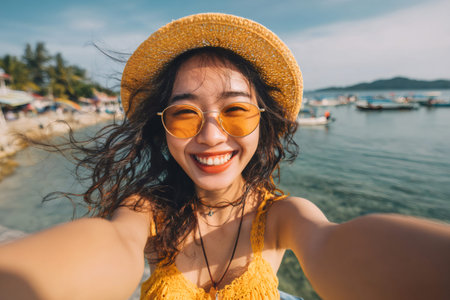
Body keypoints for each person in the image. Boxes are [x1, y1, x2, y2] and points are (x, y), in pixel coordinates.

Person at [0, 13, 449, 300]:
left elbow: (333, 244)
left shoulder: (282, 218)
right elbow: (110, 246)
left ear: (262, 122)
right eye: (184, 114)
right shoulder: (145, 212)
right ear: (162, 128)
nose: (211, 135)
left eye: (235, 110)